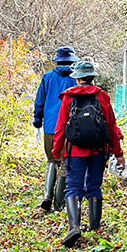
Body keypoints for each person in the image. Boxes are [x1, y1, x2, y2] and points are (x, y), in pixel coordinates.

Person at [52, 60, 124, 248]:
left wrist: (56, 150)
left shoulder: (68, 97)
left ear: (77, 78)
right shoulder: (102, 96)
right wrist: (118, 153)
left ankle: (74, 227)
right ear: (92, 77)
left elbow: (60, 127)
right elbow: (111, 126)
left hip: (74, 151)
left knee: (73, 188)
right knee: (94, 187)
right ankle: (95, 228)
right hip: (98, 150)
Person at [32, 46, 79, 212]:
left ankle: (47, 196)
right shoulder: (76, 78)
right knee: (66, 163)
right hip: (71, 127)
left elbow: (39, 102)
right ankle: (59, 204)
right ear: (72, 60)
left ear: (57, 60)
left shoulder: (48, 77)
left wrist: (37, 123)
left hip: (51, 126)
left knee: (51, 160)